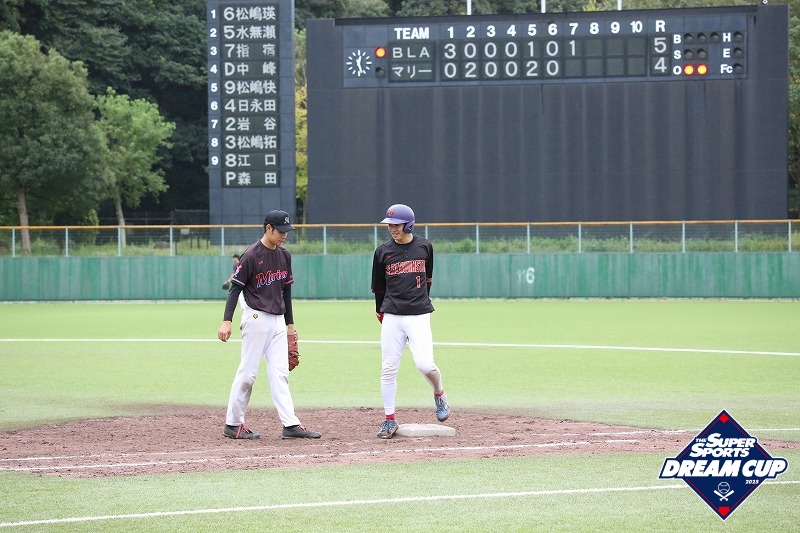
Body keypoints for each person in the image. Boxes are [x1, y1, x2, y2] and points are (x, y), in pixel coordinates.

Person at [217, 210, 321, 440]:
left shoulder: (284, 255)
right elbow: (235, 289)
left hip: (278, 322)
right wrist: (227, 321)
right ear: (268, 228)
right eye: (281, 231)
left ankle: (290, 425)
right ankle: (233, 424)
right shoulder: (251, 255)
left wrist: (290, 325)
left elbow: (286, 292)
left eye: (287, 231)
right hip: (256, 319)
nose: (284, 235)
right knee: (247, 374)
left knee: (280, 374)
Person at [371, 203, 450, 439]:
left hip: (419, 314)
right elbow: (378, 288)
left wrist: (420, 302)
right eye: (390, 225)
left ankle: (439, 393)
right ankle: (389, 419)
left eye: (397, 225)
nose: (392, 229)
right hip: (392, 314)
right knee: (388, 368)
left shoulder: (425, 247)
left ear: (410, 225)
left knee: (425, 365)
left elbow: (428, 280)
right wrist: (381, 312)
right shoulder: (382, 252)